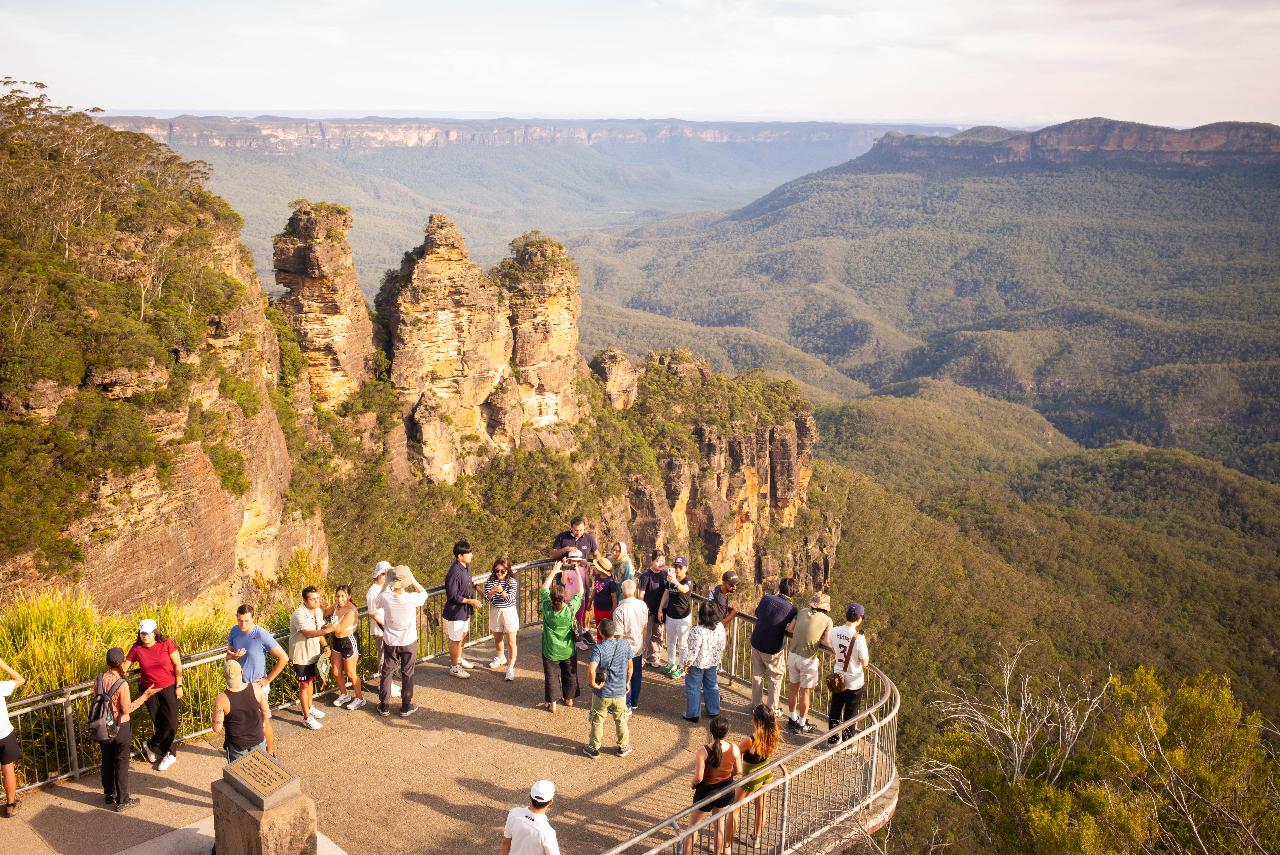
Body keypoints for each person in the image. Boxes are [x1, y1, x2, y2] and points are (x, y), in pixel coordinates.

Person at [97, 647, 158, 812]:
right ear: (122, 663)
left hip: (103, 725)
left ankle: (109, 794)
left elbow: (95, 696)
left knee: (107, 760)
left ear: (108, 662)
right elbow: (127, 708)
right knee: (121, 762)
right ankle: (123, 800)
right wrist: (145, 696)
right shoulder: (121, 683)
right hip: (121, 726)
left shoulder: (99, 678)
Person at [126, 618, 183, 771]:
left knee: (171, 723)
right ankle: (169, 754)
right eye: (142, 633)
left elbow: (177, 664)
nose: (144, 636)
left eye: (147, 633)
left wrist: (179, 685)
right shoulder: (137, 648)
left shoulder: (166, 643)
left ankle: (151, 745)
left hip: (169, 687)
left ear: (154, 633)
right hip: (148, 691)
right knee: (159, 723)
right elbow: (125, 666)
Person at [682, 716, 742, 855]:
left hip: (706, 792)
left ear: (711, 731)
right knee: (719, 824)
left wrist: (693, 783)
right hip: (725, 791)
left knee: (693, 826)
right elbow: (738, 770)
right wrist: (727, 775)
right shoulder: (734, 749)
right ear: (727, 732)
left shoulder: (702, 752)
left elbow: (699, 777)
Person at [376, 566, 428, 717]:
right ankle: (405, 706)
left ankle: (384, 705)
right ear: (406, 581)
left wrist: (386, 582)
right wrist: (413, 580)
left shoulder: (386, 598)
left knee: (387, 671)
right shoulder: (411, 598)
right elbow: (424, 593)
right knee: (407, 672)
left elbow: (377, 601)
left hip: (391, 641)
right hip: (408, 641)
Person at [730, 705, 782, 848]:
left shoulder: (751, 740)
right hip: (765, 773)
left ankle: (725, 844)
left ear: (756, 719)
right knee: (761, 806)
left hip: (750, 778)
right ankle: (755, 838)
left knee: (734, 809)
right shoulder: (774, 733)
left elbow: (735, 752)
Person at [583, 619, 633, 759]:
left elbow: (591, 670)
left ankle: (593, 748)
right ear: (614, 630)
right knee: (621, 719)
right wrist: (627, 682)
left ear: (600, 632)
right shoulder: (624, 644)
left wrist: (593, 684)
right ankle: (623, 747)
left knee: (598, 719)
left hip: (602, 693)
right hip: (620, 692)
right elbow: (630, 668)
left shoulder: (599, 648)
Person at [785, 592, 834, 735]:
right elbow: (826, 642)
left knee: (793, 688)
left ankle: (792, 718)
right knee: (805, 692)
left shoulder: (801, 612)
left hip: (792, 655)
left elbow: (789, 630)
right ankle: (801, 724)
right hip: (807, 659)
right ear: (825, 607)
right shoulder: (827, 620)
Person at [749, 578, 797, 716]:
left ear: (780, 587)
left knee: (757, 674)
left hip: (757, 641)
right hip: (773, 647)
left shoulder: (767, 598)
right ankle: (771, 710)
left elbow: (757, 613)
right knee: (775, 677)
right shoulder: (792, 609)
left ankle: (756, 706)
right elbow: (790, 630)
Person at [211, 659, 275, 762]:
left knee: (240, 776)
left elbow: (216, 728)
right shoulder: (256, 689)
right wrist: (270, 749)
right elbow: (265, 714)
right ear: (241, 672)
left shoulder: (221, 699)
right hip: (258, 739)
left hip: (237, 746)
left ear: (223, 675)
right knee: (260, 772)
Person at [539, 561, 581, 713]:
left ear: (551, 598)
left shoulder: (547, 608)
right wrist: (577, 572)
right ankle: (569, 699)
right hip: (568, 649)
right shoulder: (569, 610)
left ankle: (553, 703)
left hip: (550, 650)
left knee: (551, 675)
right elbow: (580, 593)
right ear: (564, 599)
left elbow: (544, 588)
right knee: (569, 673)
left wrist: (555, 570)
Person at [288, 586, 333, 729]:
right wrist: (327, 630)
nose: (316, 601)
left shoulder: (318, 611)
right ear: (305, 600)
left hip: (313, 654)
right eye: (313, 599)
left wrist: (325, 646)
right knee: (304, 685)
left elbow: (318, 632)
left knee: (311, 681)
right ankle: (306, 717)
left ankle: (310, 706)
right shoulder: (298, 614)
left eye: (317, 598)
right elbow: (307, 633)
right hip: (301, 655)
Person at [827, 603, 870, 745]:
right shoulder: (859, 639)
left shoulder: (834, 631)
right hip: (853, 681)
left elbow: (833, 648)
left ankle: (832, 739)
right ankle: (847, 743)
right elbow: (864, 663)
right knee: (850, 713)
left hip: (838, 678)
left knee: (835, 708)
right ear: (860, 619)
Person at [679, 601, 727, 723]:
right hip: (712, 662)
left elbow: (692, 651)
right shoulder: (720, 627)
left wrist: (687, 663)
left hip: (697, 664)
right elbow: (722, 645)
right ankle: (714, 710)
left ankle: (693, 714)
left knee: (693, 687)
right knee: (711, 685)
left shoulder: (697, 630)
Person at [444, 540, 483, 679]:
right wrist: (470, 601)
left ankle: (458, 659)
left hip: (465, 610)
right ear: (460, 556)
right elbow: (452, 595)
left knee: (463, 635)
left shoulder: (466, 567)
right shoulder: (454, 571)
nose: (471, 555)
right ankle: (454, 667)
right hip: (456, 611)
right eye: (468, 553)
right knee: (455, 639)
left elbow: (468, 581)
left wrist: (477, 588)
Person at [226, 604, 287, 688]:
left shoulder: (261, 634)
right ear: (236, 617)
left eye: (246, 621)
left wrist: (268, 679)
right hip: (238, 685)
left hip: (257, 686)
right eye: (240, 620)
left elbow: (284, 658)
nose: (243, 624)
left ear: (253, 618)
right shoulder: (234, 630)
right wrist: (234, 656)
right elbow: (228, 657)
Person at [325, 584, 365, 710]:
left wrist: (324, 628)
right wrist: (321, 606)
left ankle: (359, 698)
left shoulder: (352, 611)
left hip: (348, 642)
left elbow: (338, 628)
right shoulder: (336, 605)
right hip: (337, 641)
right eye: (337, 596)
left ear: (349, 596)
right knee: (336, 672)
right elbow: (326, 612)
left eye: (343, 596)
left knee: (350, 672)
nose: (340, 599)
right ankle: (344, 694)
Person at [611, 579, 649, 711]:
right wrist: (644, 644)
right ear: (635, 590)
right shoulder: (643, 605)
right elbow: (645, 627)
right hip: (638, 645)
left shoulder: (619, 610)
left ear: (621, 592)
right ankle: (634, 702)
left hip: (624, 649)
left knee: (623, 676)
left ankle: (625, 705)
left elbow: (619, 635)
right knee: (636, 675)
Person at [365, 560, 401, 699]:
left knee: (390, 656)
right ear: (379, 574)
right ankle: (385, 685)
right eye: (384, 573)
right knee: (384, 657)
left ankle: (388, 683)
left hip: (390, 628)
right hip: (381, 629)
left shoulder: (389, 587)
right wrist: (385, 626)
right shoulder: (373, 591)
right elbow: (373, 613)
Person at [501, 779, 561, 855]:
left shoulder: (514, 813)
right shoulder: (548, 833)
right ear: (550, 802)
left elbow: (505, 843)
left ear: (530, 796)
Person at [485, 557, 519, 681]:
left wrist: (502, 591)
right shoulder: (490, 581)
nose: (499, 573)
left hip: (509, 612)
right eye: (496, 571)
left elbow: (510, 599)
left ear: (507, 570)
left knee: (511, 641)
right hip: (496, 611)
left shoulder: (512, 582)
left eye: (502, 571)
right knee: (498, 638)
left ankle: (510, 667)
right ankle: (500, 657)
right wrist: (492, 593)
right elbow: (487, 599)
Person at [658, 556, 693, 679]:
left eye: (680, 567)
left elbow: (684, 589)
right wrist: (660, 609)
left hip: (683, 618)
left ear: (686, 568)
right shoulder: (671, 579)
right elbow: (666, 594)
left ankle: (682, 667)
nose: (677, 569)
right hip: (671, 615)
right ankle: (671, 662)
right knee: (671, 641)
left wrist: (675, 582)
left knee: (683, 644)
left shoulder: (688, 581)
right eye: (675, 567)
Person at [0, 657, 25, 819]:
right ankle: (11, 805)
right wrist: (3, 665)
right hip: (3, 734)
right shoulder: (0, 687)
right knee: (8, 768)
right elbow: (20, 680)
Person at [637, 550, 668, 667]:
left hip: (660, 610)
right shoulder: (645, 575)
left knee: (657, 634)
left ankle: (654, 657)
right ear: (652, 561)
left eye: (663, 561)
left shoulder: (665, 574)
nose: (661, 564)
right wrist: (641, 610)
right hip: (647, 610)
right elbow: (641, 595)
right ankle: (641, 656)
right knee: (645, 634)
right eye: (658, 561)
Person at [589, 556, 618, 642]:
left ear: (602, 569)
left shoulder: (611, 582)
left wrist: (614, 608)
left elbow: (614, 596)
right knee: (598, 626)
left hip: (607, 610)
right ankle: (599, 643)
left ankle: (607, 645)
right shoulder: (597, 577)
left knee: (606, 628)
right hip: (597, 607)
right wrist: (590, 601)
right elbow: (595, 589)